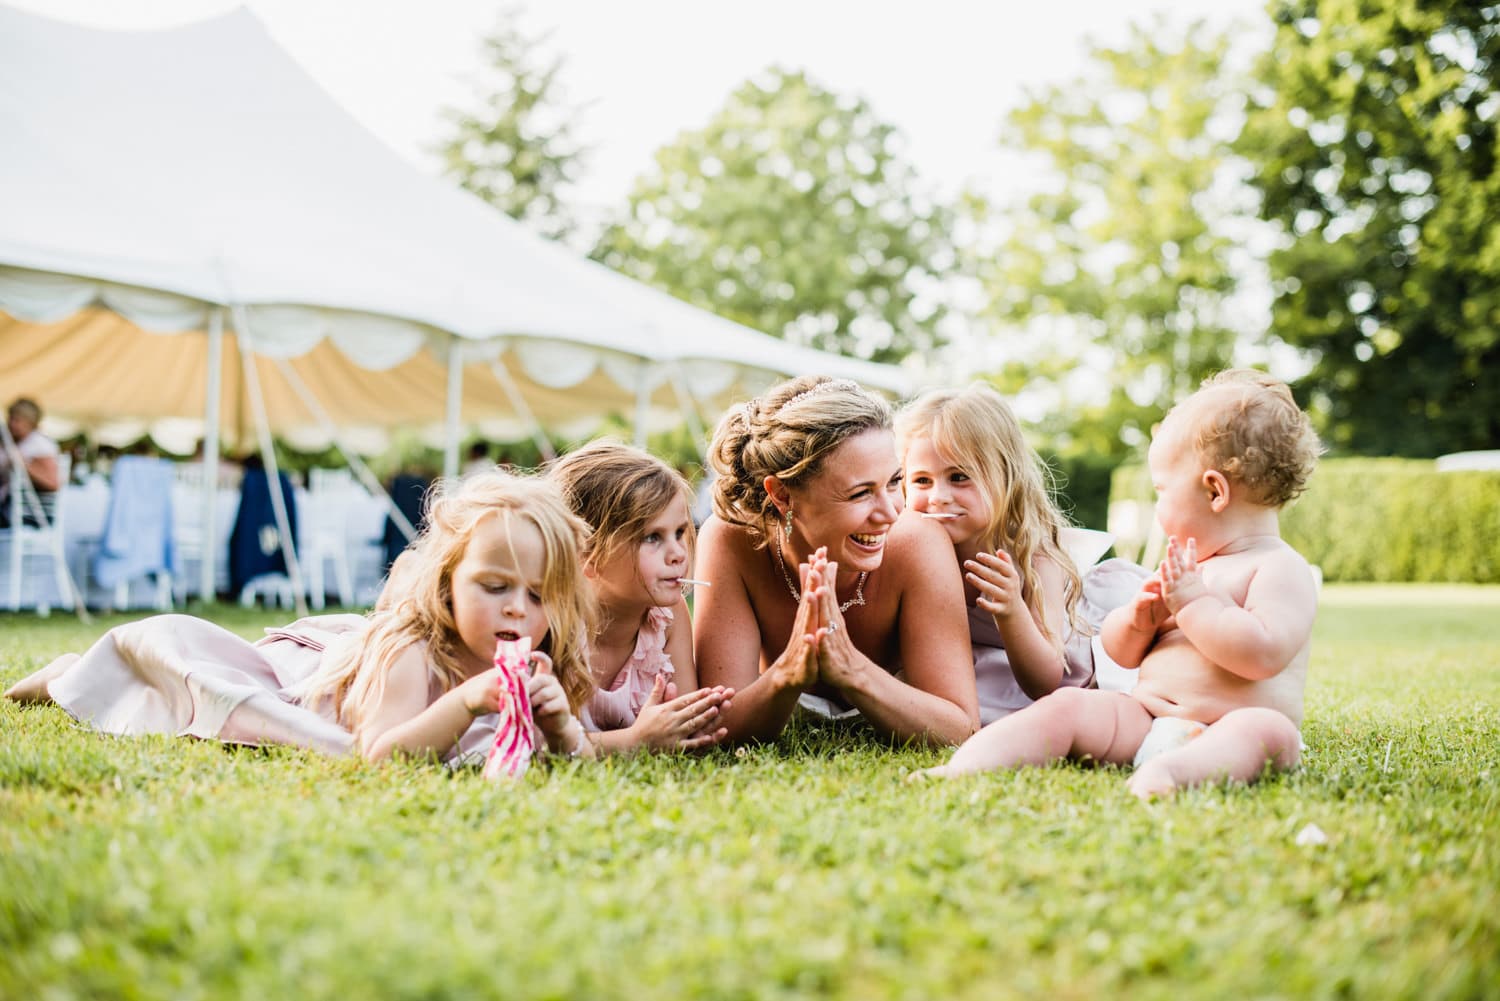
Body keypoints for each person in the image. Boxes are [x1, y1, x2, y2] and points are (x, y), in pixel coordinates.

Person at [914, 370, 1323, 798]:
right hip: (1144, 717)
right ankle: (966, 767)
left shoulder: (1279, 569)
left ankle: (1170, 775)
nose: (1158, 505)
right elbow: (1121, 655)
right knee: (1067, 707)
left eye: (1162, 491)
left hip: (1230, 727)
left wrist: (1193, 605)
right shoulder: (1189, 568)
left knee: (1271, 733)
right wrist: (1137, 621)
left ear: (1215, 492)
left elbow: (1262, 654)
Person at [5, 472, 598, 765]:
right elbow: (382, 755)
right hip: (300, 684)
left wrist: (560, 728)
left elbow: (572, 756)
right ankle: (65, 676)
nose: (519, 608)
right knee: (175, 675)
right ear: (447, 581)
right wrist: (468, 702)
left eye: (540, 596)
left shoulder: (538, 656)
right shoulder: (413, 649)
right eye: (495, 587)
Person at [694, 376, 979, 746]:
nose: (891, 512)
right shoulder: (731, 540)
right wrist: (787, 674)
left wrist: (853, 670)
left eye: (894, 483)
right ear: (782, 494)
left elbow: (962, 728)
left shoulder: (917, 541)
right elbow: (717, 729)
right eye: (861, 494)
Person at [896, 384, 1093, 725]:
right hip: (959, 665)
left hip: (1038, 659)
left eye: (959, 477)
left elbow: (1045, 681)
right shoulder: (911, 548)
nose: (939, 496)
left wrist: (1011, 610)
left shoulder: (1035, 557)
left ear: (1005, 475)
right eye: (922, 481)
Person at [549, 440, 734, 752]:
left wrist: (700, 721)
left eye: (679, 532)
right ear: (587, 556)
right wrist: (634, 742)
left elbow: (684, 725)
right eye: (652, 537)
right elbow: (537, 747)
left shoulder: (669, 616)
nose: (678, 553)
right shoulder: (551, 623)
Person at [0, 397, 62, 528]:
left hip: (32, 514)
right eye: (10, 419)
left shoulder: (40, 445)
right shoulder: (13, 443)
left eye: (17, 420)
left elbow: (53, 483)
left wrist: (22, 465)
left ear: (30, 422)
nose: (11, 424)